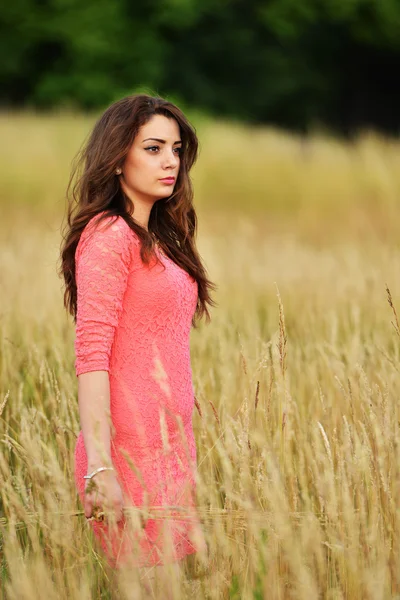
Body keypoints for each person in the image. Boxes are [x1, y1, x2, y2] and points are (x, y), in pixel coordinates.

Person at [59, 93, 216, 588]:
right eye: (152, 148)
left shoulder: (157, 238)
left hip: (171, 449)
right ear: (116, 158)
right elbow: (92, 358)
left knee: (198, 582)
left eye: (175, 149)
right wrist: (101, 468)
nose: (170, 161)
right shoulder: (110, 236)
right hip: (128, 456)